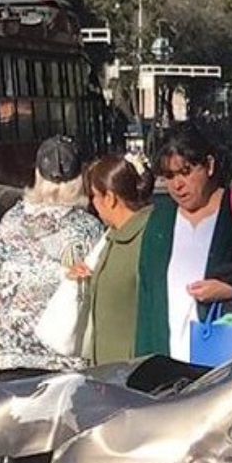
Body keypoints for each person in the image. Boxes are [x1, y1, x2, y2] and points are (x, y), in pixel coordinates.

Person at [135, 121, 232, 362]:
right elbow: (146, 302)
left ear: (209, 166)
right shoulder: (160, 221)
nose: (177, 185)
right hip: (167, 374)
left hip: (226, 370)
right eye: (168, 176)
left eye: (186, 172)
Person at [0, 134, 106, 378]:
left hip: (12, 359)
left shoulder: (11, 221)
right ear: (80, 178)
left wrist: (7, 336)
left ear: (37, 174)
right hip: (68, 362)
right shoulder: (89, 228)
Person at [75, 154, 153, 364]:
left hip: (130, 374)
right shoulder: (112, 237)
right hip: (106, 373)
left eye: (94, 196)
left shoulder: (147, 237)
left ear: (109, 198)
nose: (93, 205)